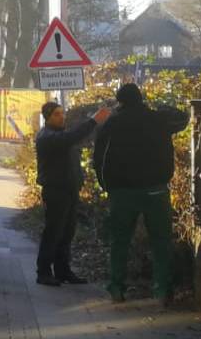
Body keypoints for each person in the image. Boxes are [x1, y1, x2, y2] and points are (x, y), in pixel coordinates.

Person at [92, 83, 189, 303]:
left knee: (120, 241)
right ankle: (162, 289)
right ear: (140, 98)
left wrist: (105, 185)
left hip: (122, 192)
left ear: (120, 101)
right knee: (161, 241)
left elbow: (100, 158)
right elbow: (183, 118)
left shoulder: (112, 123)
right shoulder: (158, 120)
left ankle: (117, 288)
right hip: (156, 190)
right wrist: (159, 106)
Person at [34, 100, 112, 286]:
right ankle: (43, 272)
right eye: (57, 114)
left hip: (69, 190)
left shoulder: (60, 135)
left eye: (62, 113)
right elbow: (71, 137)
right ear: (47, 117)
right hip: (55, 191)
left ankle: (63, 270)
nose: (62, 117)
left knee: (67, 232)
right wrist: (93, 121)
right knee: (53, 232)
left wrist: (79, 182)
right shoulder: (47, 137)